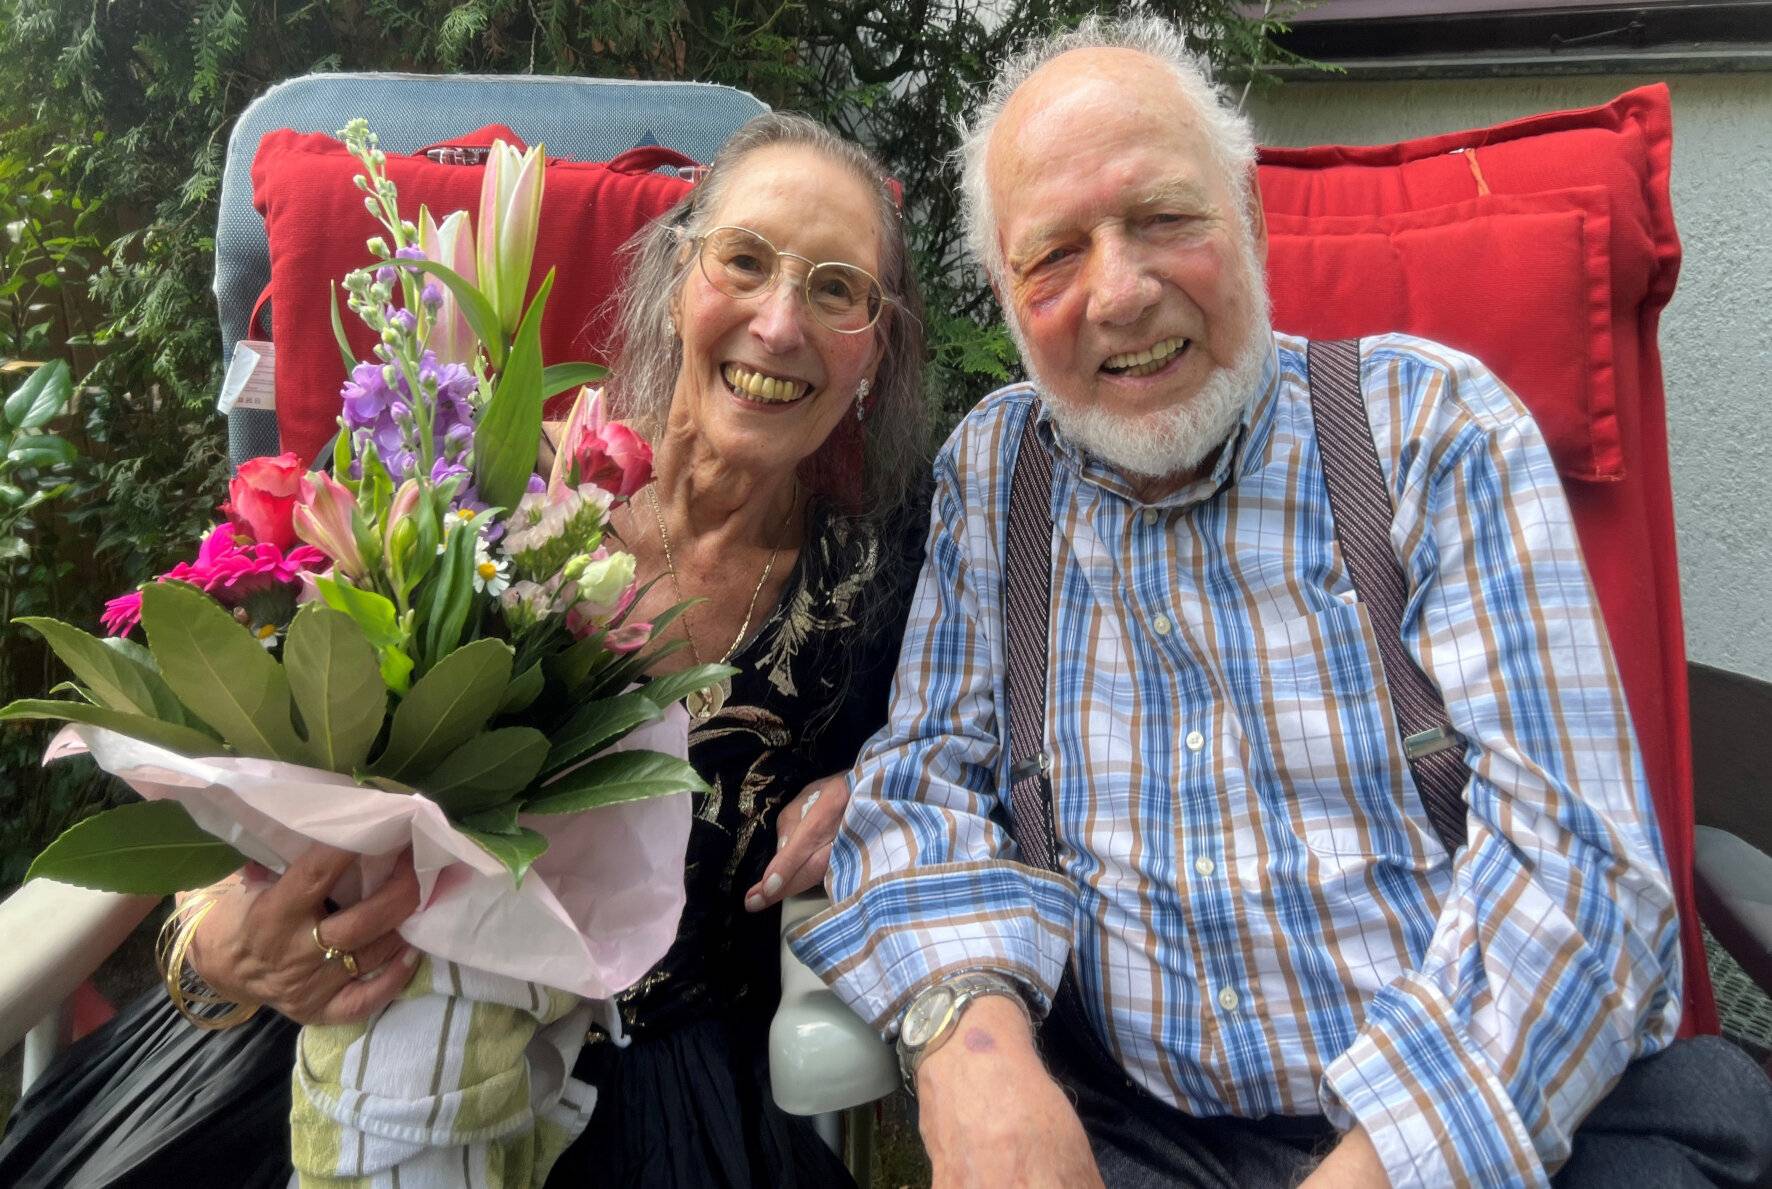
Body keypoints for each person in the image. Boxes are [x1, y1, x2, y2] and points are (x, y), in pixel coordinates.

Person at [789, 16, 1772, 1189]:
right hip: (1142, 1132)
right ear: (1006, 298)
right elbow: (922, 784)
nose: (1119, 291)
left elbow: (1579, 875)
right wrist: (969, 1044)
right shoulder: (995, 474)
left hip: (1507, 1124)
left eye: (1163, 219)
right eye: (1052, 255)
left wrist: (1374, 1167)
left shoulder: (1430, 430)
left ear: (1245, 222)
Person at [0, 111, 929, 1189]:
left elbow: (971, 751)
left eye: (834, 289)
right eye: (745, 260)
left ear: (873, 351)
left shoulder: (875, 586)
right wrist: (214, 943)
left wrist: (876, 783)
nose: (777, 322)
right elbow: (261, 751)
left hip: (646, 1078)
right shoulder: (462, 478)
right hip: (337, 1009)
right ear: (677, 280)